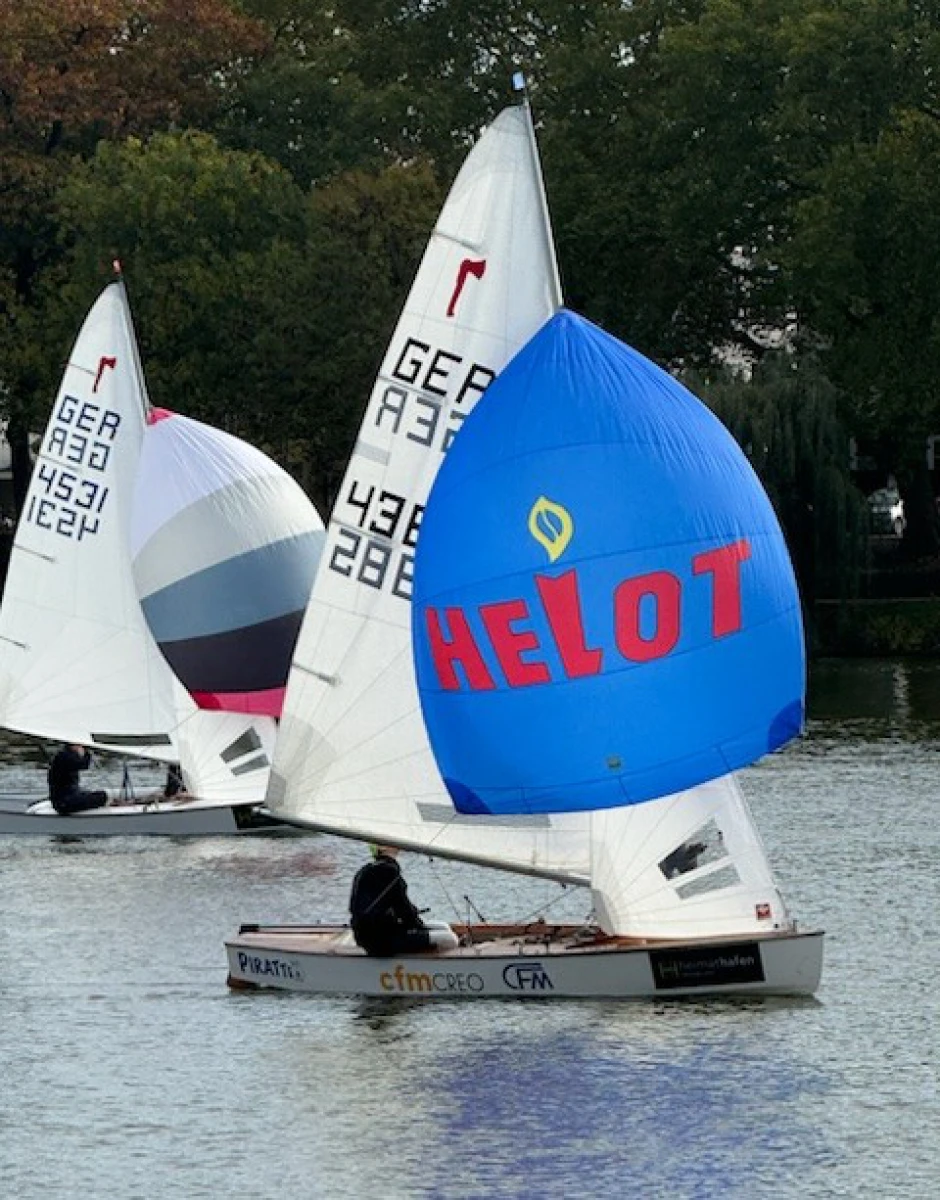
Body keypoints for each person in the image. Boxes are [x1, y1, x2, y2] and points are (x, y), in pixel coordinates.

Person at [349, 845, 458, 956]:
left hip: (368, 936)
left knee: (443, 926)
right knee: (451, 939)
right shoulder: (388, 871)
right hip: (383, 941)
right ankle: (426, 967)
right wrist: (419, 927)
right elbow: (403, 909)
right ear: (382, 848)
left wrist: (417, 925)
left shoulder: (365, 870)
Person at [48, 743, 109, 815]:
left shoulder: (63, 755)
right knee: (102, 796)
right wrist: (86, 754)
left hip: (65, 798)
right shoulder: (65, 757)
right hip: (64, 802)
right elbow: (83, 764)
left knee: (91, 793)